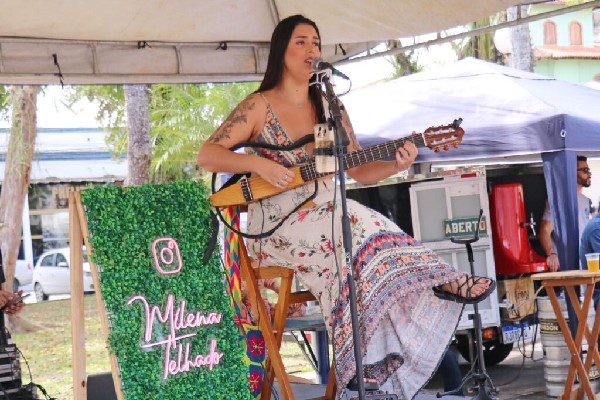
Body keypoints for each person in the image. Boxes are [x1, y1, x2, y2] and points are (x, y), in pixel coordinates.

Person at [197, 14, 495, 398]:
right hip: (276, 226)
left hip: (331, 216)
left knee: (358, 236)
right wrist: (258, 163)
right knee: (354, 225)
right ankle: (436, 282)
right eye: (302, 42)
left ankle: (367, 359)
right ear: (281, 51)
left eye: (316, 43)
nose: (312, 49)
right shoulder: (258, 106)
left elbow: (358, 170)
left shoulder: (329, 106)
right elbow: (208, 154)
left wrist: (397, 163)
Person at [538, 155, 592, 272]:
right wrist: (551, 254)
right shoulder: (558, 199)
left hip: (585, 263)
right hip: (566, 264)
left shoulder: (586, 201)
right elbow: (545, 230)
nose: (590, 174)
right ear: (572, 172)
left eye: (588, 170)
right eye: (585, 170)